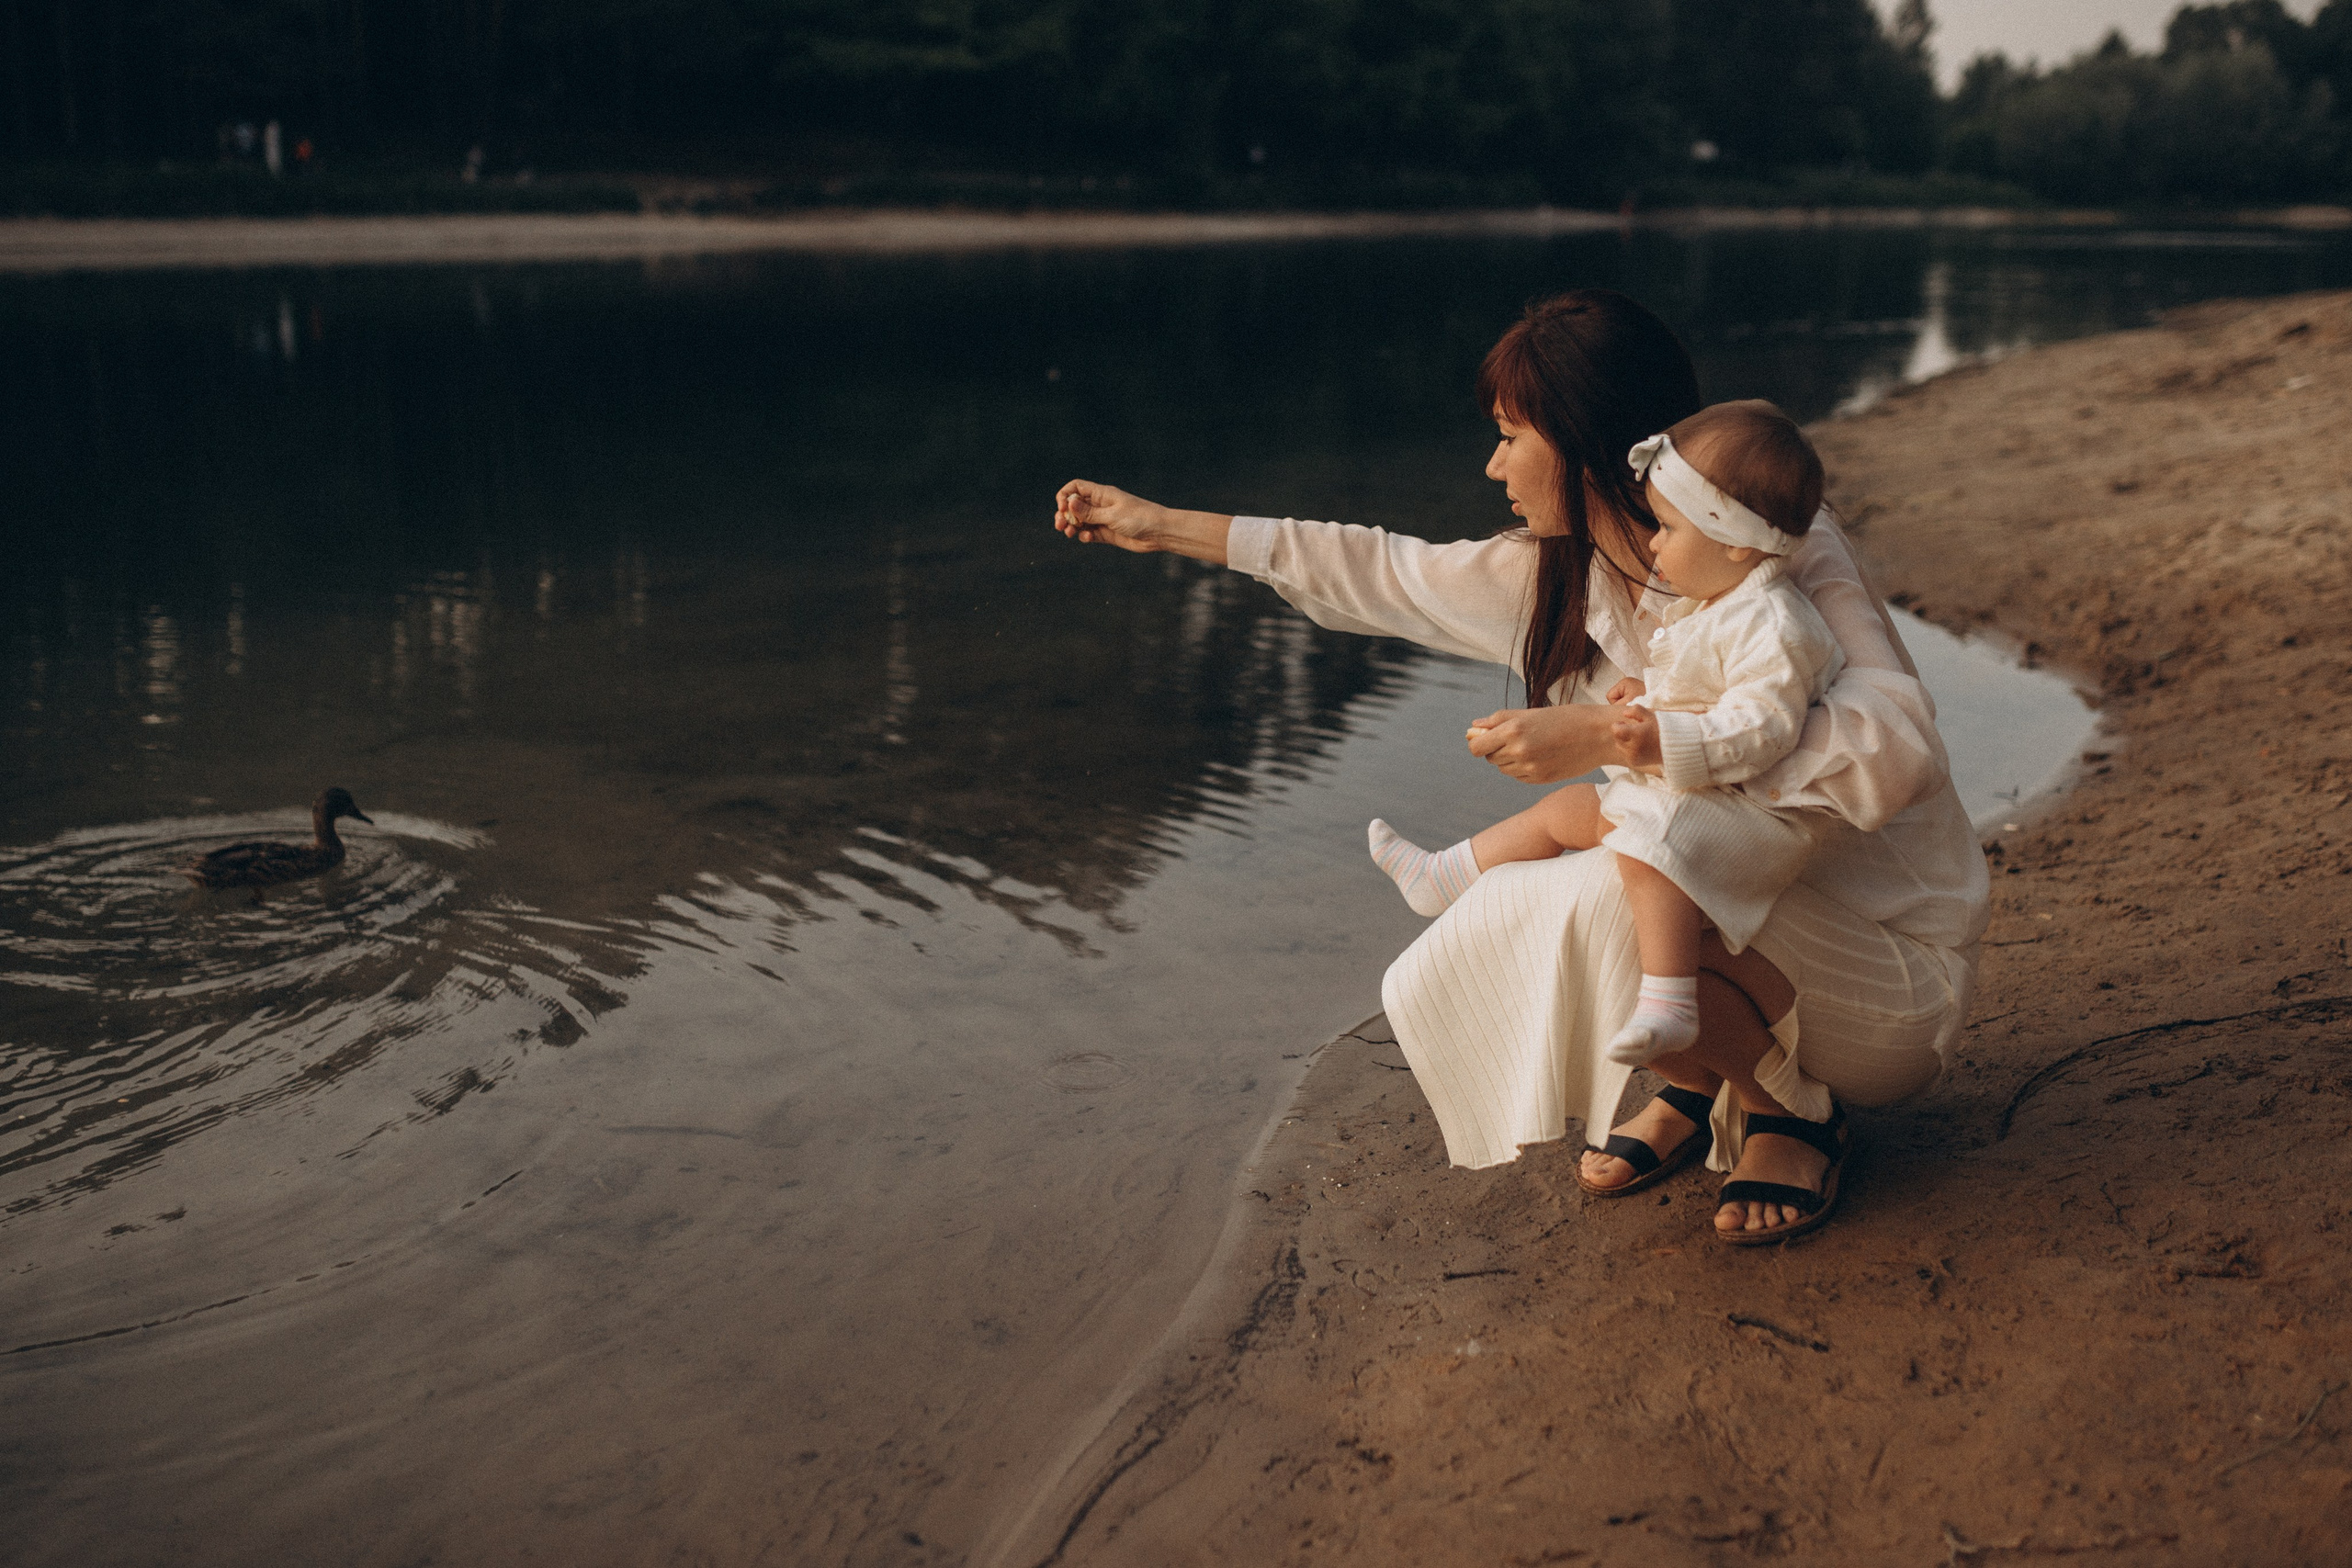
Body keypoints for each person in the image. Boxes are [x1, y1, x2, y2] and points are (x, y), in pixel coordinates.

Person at [1052, 288, 1986, 1245]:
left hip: (1886, 979)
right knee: (1561, 875)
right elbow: (1374, 569)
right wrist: (1158, 525)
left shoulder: (1772, 554)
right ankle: (1701, 1080)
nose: (1492, 464)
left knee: (1610, 876)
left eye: (1509, 436)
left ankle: (1793, 1113)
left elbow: (1895, 753)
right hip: (1748, 925)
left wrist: (1622, 738)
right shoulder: (1557, 572)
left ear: (1584, 442)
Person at [1365, 400, 1845, 1073]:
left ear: (1735, 542)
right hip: (1710, 798)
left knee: (1646, 847)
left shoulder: (1773, 623)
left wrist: (1654, 739)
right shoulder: (1721, 604)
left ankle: (1670, 998)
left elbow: (1761, 728)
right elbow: (1704, 690)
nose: (1654, 544)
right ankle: (1442, 874)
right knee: (1567, 808)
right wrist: (1647, 695)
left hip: (1752, 819)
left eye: (1670, 528)